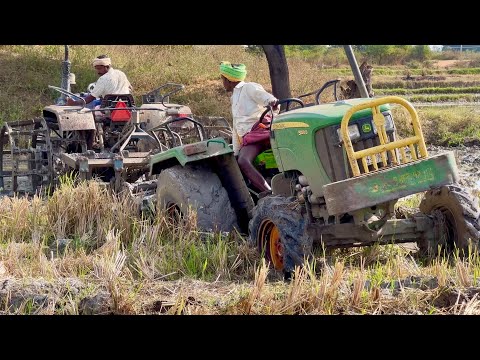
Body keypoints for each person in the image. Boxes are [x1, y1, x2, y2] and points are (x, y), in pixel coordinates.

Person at [220, 61, 278, 193]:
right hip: (248, 138)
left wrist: (272, 103)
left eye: (222, 79)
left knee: (243, 161)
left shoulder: (249, 87)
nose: (222, 83)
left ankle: (270, 192)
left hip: (259, 134)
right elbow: (236, 127)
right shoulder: (234, 97)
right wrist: (235, 151)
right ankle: (263, 188)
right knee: (239, 161)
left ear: (229, 80)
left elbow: (268, 99)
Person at [66, 55, 132, 108]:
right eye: (96, 69)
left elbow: (90, 98)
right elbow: (130, 88)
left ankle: (94, 124)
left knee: (92, 109)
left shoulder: (103, 78)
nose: (98, 72)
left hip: (110, 108)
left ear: (107, 66)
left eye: (99, 69)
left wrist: (74, 103)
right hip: (126, 106)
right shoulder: (121, 73)